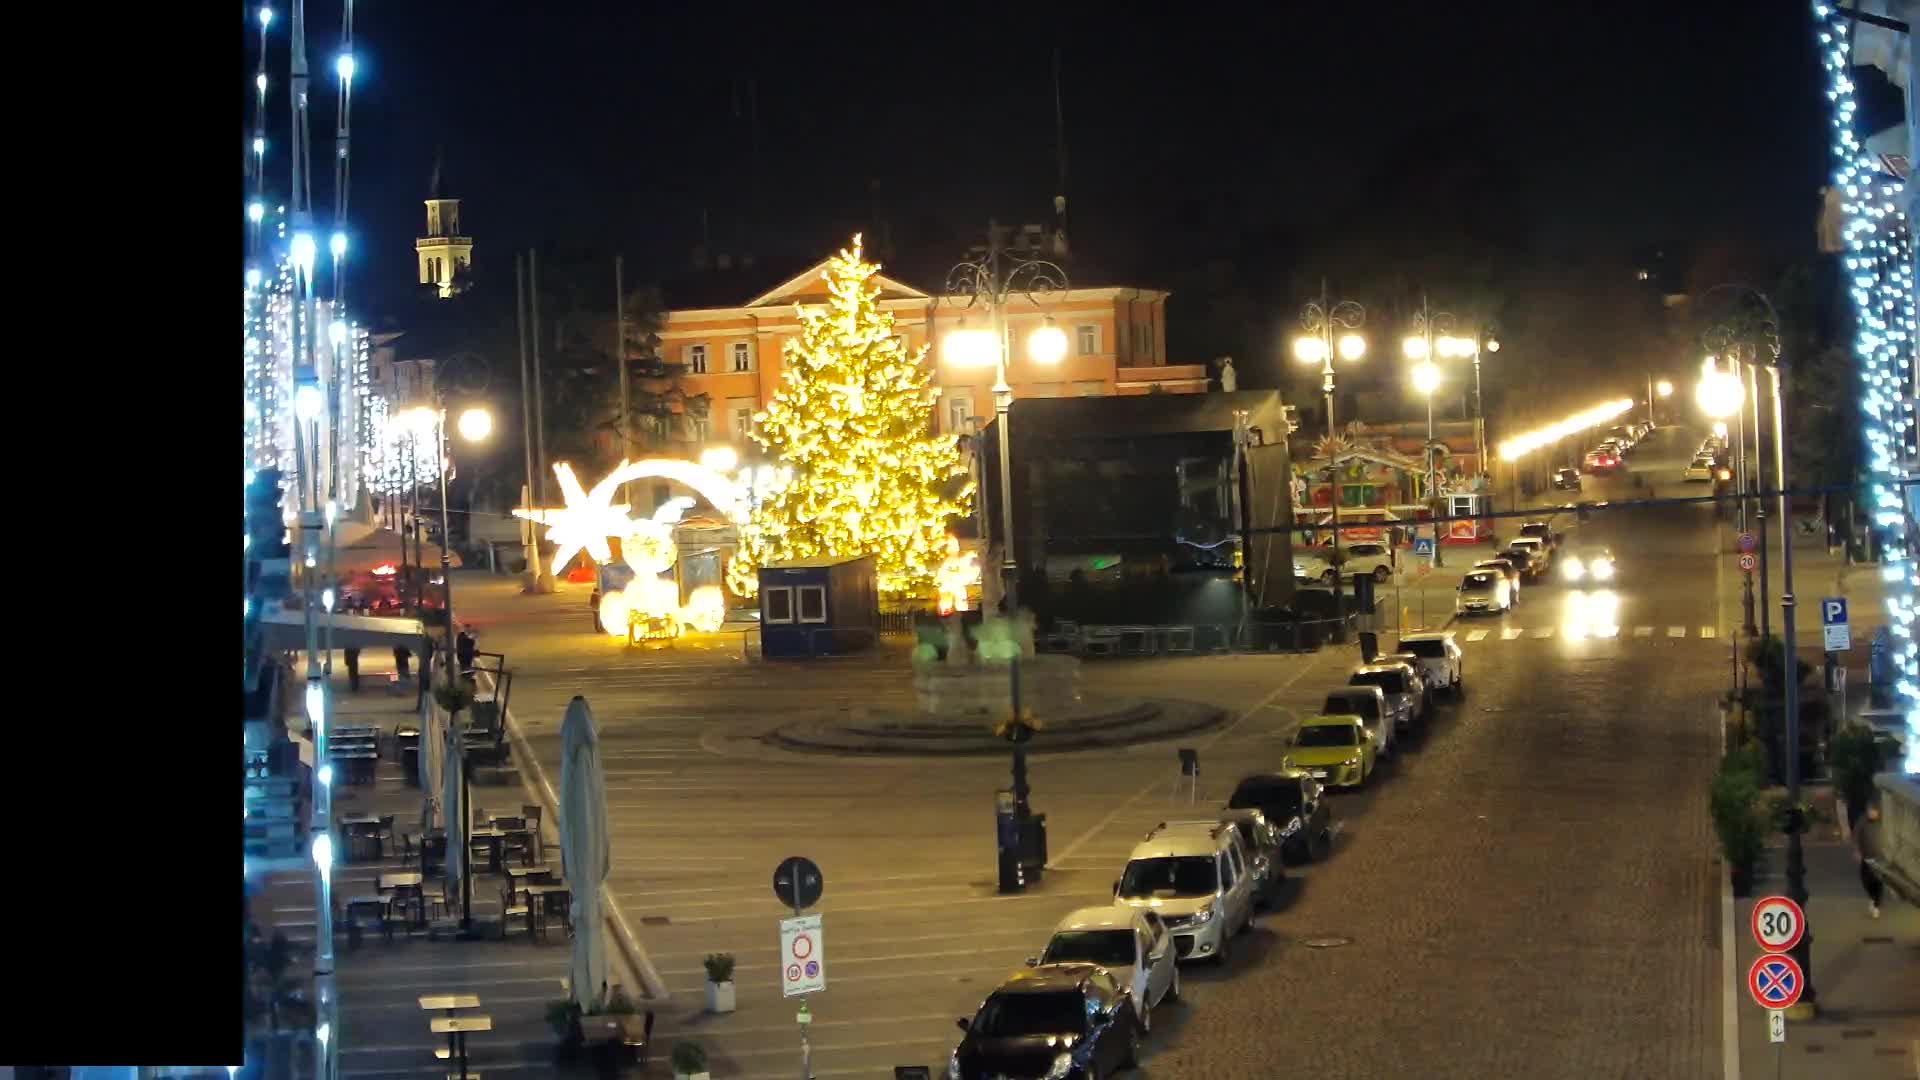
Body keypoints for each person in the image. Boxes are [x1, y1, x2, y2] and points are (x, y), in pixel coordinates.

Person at [1855, 802, 1886, 919]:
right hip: (1866, 857)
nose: (1872, 813)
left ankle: (1876, 906)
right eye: (1870, 811)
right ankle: (1872, 898)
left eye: (1874, 811)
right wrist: (1857, 851)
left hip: (1879, 858)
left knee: (1878, 883)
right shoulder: (1862, 823)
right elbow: (1856, 836)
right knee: (1866, 881)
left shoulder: (1882, 823)